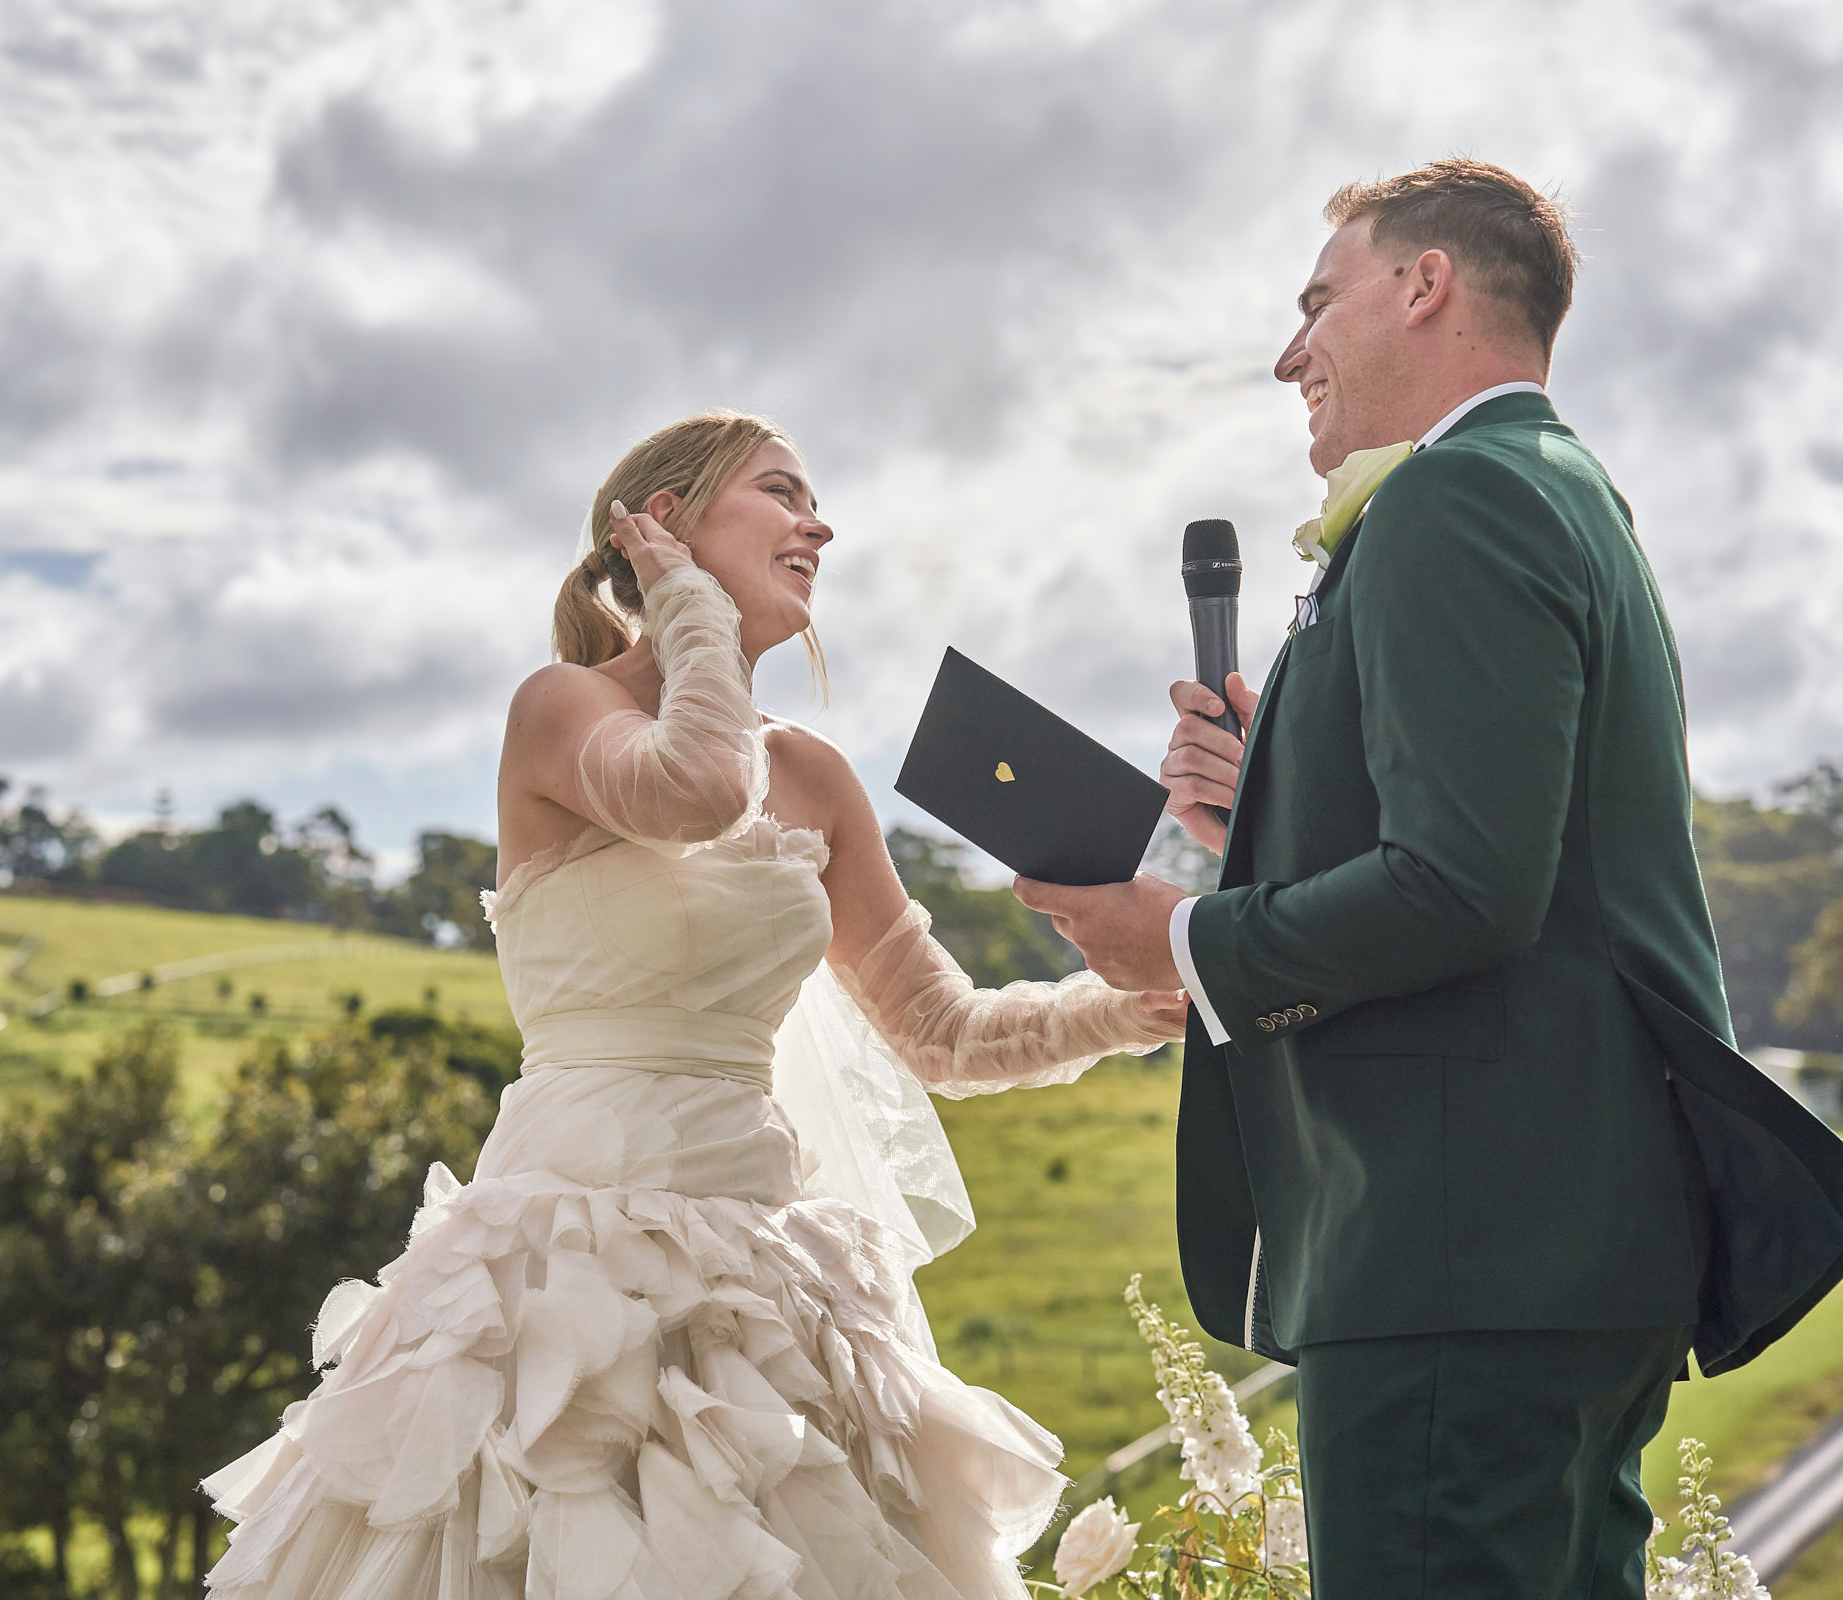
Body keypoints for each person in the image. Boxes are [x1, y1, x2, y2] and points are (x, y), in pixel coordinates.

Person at [1018, 161, 1843, 1597]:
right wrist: (1265, 814)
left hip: (1454, 1244)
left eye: (1314, 303)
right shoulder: (1559, 490)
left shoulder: (1451, 499)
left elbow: (1461, 889)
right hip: (1554, 1238)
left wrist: (1186, 941)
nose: (1288, 355)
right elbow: (1517, 849)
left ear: (1423, 286)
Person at [198, 409, 1188, 1599]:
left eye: (813, 500)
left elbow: (939, 1033)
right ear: (663, 521)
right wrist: (684, 607)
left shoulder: (815, 774)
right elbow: (699, 792)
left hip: (760, 1287)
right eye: (781, 492)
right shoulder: (560, 708)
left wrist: (1126, 1007)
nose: (818, 526)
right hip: (555, 1269)